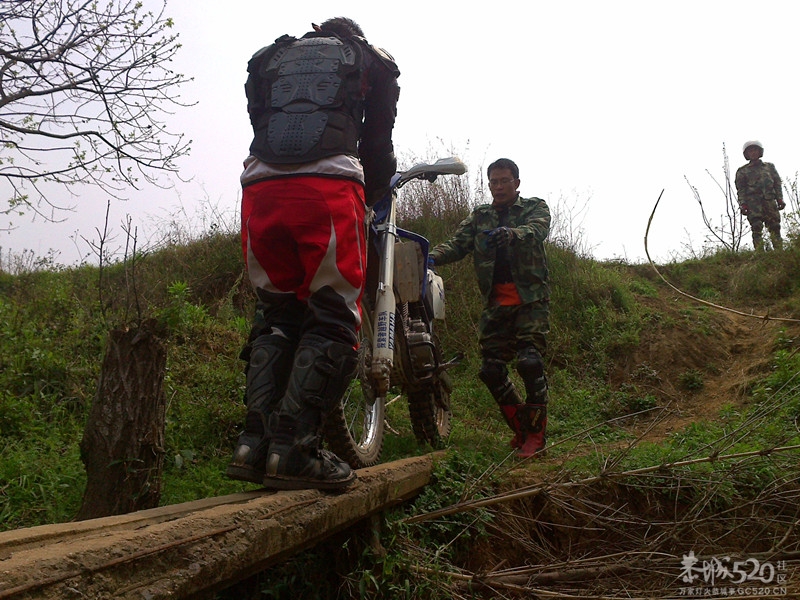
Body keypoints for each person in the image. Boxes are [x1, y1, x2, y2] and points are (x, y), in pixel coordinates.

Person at [227, 17, 400, 491]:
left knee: (277, 314)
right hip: (326, 187)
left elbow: (259, 117)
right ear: (354, 35)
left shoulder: (269, 56)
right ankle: (295, 449)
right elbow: (378, 137)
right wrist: (377, 189)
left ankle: (253, 445)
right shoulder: (370, 59)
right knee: (332, 316)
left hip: (259, 186)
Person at [428, 158, 551, 458]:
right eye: (493, 182)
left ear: (516, 183)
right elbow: (457, 244)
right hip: (496, 304)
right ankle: (522, 429)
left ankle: (535, 435)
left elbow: (537, 230)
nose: (498, 187)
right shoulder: (479, 217)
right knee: (491, 370)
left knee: (530, 362)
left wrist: (512, 233)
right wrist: (428, 257)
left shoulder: (535, 208)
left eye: (504, 181)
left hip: (530, 301)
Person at [735, 140, 785, 251]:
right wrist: (743, 204)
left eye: (755, 150)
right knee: (756, 228)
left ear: (760, 152)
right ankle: (760, 253)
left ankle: (779, 253)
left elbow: (777, 183)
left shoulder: (769, 167)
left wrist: (780, 199)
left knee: (775, 227)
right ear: (746, 154)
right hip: (753, 204)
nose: (753, 153)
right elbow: (741, 189)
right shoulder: (742, 171)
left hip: (769, 202)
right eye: (750, 151)